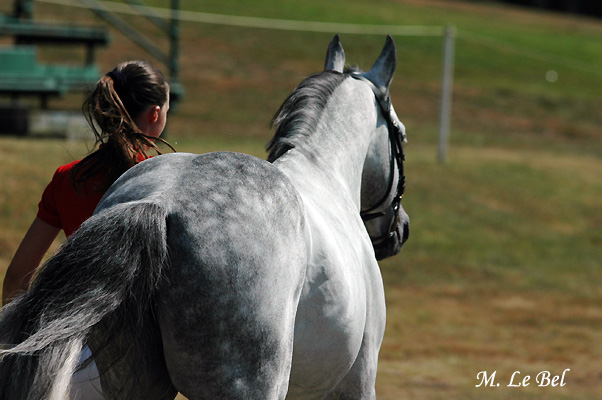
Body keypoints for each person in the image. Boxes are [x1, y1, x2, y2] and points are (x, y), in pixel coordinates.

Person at [2, 60, 173, 399]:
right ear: (155, 114)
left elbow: (17, 276)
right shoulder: (163, 183)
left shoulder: (68, 178)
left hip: (66, 359)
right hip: (137, 363)